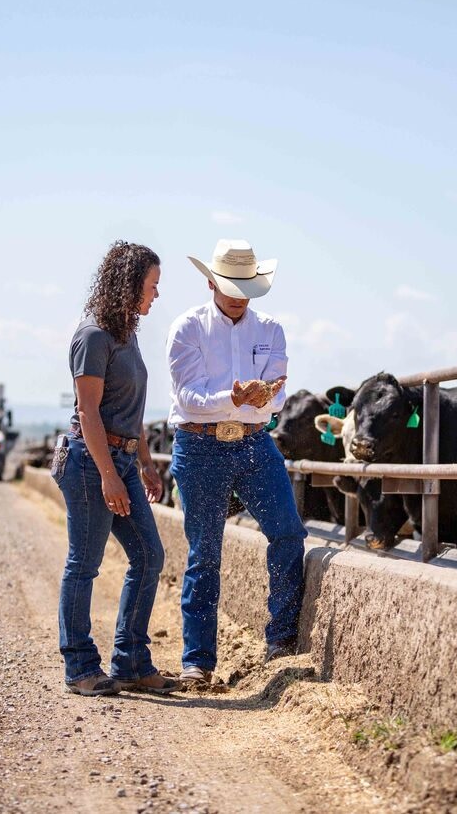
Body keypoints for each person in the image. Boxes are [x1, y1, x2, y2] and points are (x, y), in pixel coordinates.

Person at [166, 238, 306, 689]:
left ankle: (280, 641)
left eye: (245, 286)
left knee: (288, 533)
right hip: (201, 443)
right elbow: (187, 397)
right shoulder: (187, 328)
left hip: (252, 440)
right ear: (209, 282)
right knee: (204, 551)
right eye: (230, 285)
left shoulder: (271, 329)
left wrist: (268, 396)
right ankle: (198, 661)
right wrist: (233, 398)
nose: (238, 295)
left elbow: (278, 390)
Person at [54, 240, 183, 697]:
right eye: (152, 285)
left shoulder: (126, 334)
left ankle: (130, 661)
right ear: (130, 284)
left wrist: (145, 463)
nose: (156, 295)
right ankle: (80, 667)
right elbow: (88, 413)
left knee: (150, 556)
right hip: (90, 463)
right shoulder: (93, 336)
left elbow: (131, 409)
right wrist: (109, 475)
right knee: (84, 564)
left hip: (123, 458)